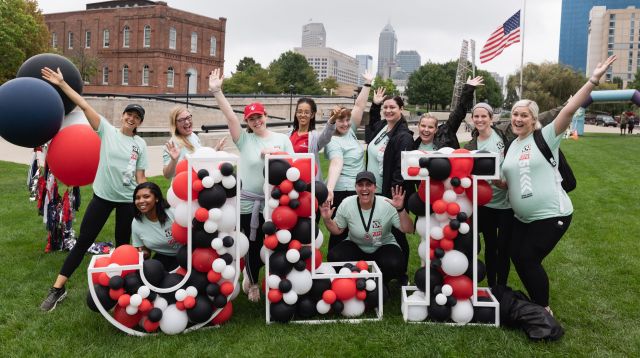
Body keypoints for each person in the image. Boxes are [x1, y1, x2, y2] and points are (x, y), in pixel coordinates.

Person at [500, 55, 616, 315]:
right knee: (517, 255)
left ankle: (543, 310)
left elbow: (569, 109)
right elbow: (508, 181)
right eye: (515, 114)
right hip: (522, 218)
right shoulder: (511, 146)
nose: (518, 119)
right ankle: (536, 301)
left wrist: (593, 80)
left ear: (533, 119)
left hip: (552, 214)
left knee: (528, 258)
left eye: (524, 115)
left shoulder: (546, 136)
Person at [40, 67, 148, 312]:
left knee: (123, 246)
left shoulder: (139, 144)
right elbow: (85, 105)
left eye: (137, 117)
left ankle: (122, 289)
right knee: (84, 241)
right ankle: (58, 289)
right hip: (102, 197)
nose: (131, 118)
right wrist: (62, 84)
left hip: (127, 201)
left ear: (140, 123)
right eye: (129, 114)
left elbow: (141, 177)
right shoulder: (107, 131)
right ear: (123, 116)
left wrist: (148, 200)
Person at [207, 68, 294, 303]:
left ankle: (281, 280)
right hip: (248, 204)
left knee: (278, 244)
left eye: (259, 116)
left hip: (276, 203)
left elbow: (293, 168)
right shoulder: (245, 140)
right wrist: (217, 92)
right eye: (251, 119)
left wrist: (273, 153)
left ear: (265, 116)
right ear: (247, 122)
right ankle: (253, 281)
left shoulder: (282, 139)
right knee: (254, 246)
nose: (256, 121)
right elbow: (231, 118)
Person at [464, 102, 564, 289]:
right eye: (476, 116)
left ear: (491, 118)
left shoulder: (505, 134)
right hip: (486, 204)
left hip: (508, 205)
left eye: (483, 116)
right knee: (490, 247)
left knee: (505, 248)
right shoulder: (470, 146)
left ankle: (501, 287)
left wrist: (565, 106)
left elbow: (540, 117)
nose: (479, 119)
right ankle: (492, 285)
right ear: (472, 119)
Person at [321, 171, 414, 284]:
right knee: (334, 256)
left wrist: (400, 209)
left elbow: (408, 229)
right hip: (356, 245)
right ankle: (353, 280)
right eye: (360, 185)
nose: (364, 188)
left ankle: (382, 283)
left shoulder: (387, 204)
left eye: (368, 184)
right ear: (355, 187)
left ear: (375, 187)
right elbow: (337, 230)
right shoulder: (347, 203)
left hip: (382, 245)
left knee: (395, 263)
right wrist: (327, 219)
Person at [365, 88, 414, 284]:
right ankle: (383, 269)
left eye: (392, 107)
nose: (388, 110)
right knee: (382, 233)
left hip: (391, 194)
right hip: (375, 191)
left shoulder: (403, 136)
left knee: (397, 233)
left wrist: (394, 197)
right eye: (386, 107)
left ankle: (401, 275)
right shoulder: (383, 128)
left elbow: (400, 169)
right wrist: (375, 105)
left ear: (401, 109)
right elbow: (370, 130)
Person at [324, 72, 374, 249]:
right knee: (340, 232)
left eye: (346, 120)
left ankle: (352, 265)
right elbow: (336, 163)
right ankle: (336, 266)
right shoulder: (333, 141)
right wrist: (329, 188)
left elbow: (359, 106)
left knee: (355, 231)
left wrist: (367, 84)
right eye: (340, 121)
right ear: (333, 122)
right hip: (342, 191)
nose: (345, 123)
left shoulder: (350, 131)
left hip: (356, 188)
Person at [413, 76, 484, 151]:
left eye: (430, 127)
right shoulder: (413, 145)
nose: (426, 130)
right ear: (418, 126)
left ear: (436, 130)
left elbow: (458, 113)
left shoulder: (445, 135)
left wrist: (468, 89)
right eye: (423, 126)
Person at [163, 106, 226, 179]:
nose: (187, 122)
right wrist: (174, 160)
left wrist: (216, 150)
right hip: (184, 186)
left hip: (199, 182)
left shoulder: (193, 136)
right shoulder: (172, 144)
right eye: (181, 120)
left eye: (188, 117)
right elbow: (167, 175)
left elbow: (200, 158)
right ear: (175, 124)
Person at [131, 182, 180, 271]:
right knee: (149, 272)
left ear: (156, 198)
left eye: (146, 196)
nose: (141, 201)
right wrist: (143, 253)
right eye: (137, 198)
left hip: (187, 254)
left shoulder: (173, 212)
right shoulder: (136, 222)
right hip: (165, 257)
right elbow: (145, 252)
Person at [287, 98, 335, 181]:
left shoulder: (315, 137)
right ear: (296, 113)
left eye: (306, 112)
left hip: (309, 183)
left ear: (312, 115)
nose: (302, 115)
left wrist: (332, 120)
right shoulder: (288, 136)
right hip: (290, 181)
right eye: (299, 111)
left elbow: (326, 136)